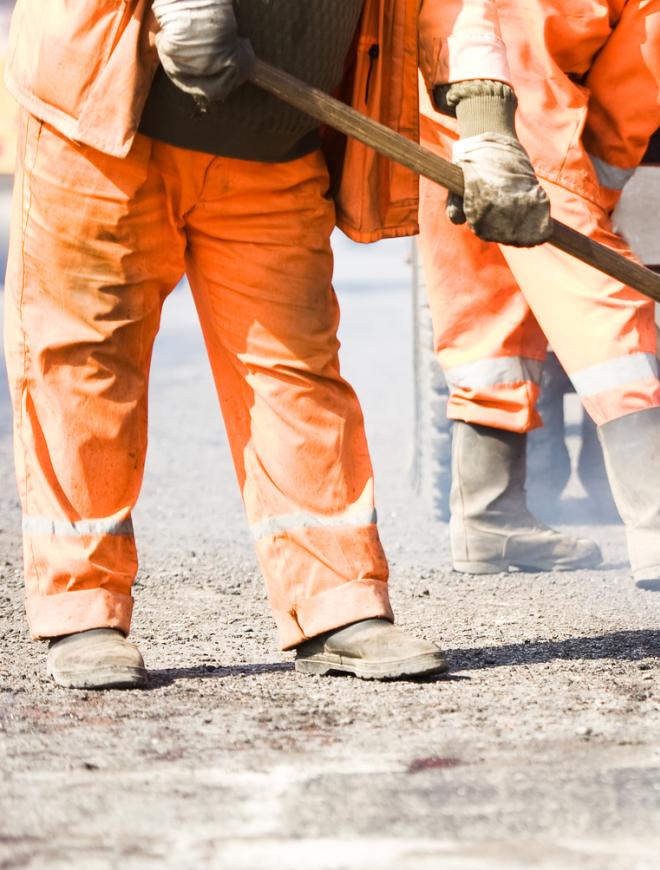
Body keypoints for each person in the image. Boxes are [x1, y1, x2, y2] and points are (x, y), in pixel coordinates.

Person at [6, 0, 550, 688]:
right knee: (85, 365)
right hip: (105, 126)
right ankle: (81, 610)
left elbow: (454, 10)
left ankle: (337, 604)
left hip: (272, 143)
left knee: (296, 371)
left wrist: (487, 129)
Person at [419, 0, 660, 589]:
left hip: (445, 76)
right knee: (603, 304)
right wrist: (591, 181)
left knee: (486, 297)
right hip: (521, 88)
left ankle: (488, 515)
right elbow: (641, 72)